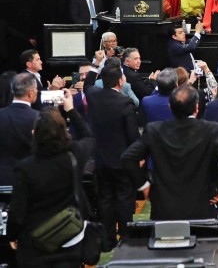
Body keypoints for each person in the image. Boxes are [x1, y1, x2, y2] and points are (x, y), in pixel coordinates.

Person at [122, 85, 218, 220]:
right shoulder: (211, 130)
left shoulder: (154, 130)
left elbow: (128, 157)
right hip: (201, 208)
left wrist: (144, 185)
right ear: (196, 108)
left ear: (170, 108)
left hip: (163, 209)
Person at [7, 92, 95, 268]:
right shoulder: (74, 155)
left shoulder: (25, 168)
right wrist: (70, 110)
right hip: (70, 237)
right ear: (64, 131)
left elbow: (18, 211)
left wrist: (12, 235)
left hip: (35, 242)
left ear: (34, 133)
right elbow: (88, 136)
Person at [86, 62, 140, 249]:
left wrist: (95, 64)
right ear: (120, 81)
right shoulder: (125, 101)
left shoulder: (93, 96)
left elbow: (87, 85)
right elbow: (133, 134)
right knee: (125, 198)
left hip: (100, 159)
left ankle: (108, 240)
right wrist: (138, 156)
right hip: (122, 160)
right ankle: (125, 238)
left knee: (106, 199)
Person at [0, 73, 39, 186]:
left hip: (3, 178)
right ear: (30, 92)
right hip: (30, 179)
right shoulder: (39, 117)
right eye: (36, 89)